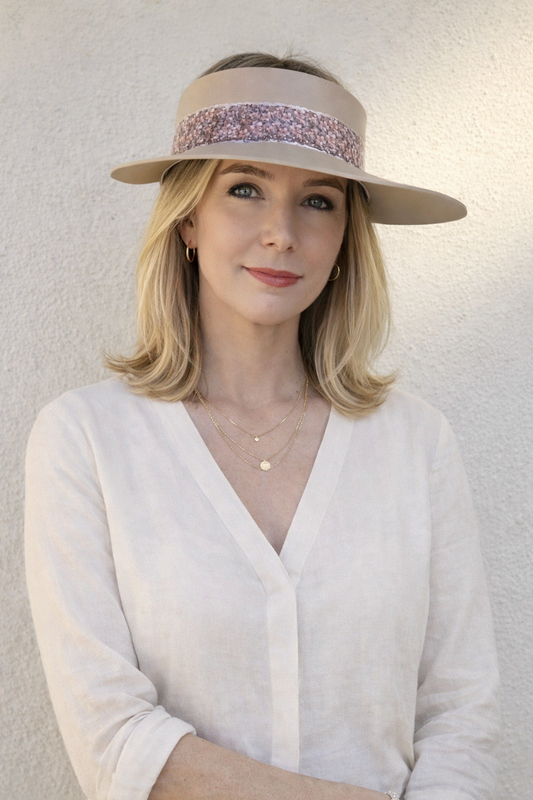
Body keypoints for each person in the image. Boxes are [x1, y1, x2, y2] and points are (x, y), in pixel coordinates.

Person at [24, 52, 500, 800]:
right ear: (187, 219)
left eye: (318, 201)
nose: (281, 233)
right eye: (244, 189)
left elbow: (461, 710)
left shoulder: (415, 443)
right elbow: (111, 733)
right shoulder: (86, 441)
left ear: (346, 237)